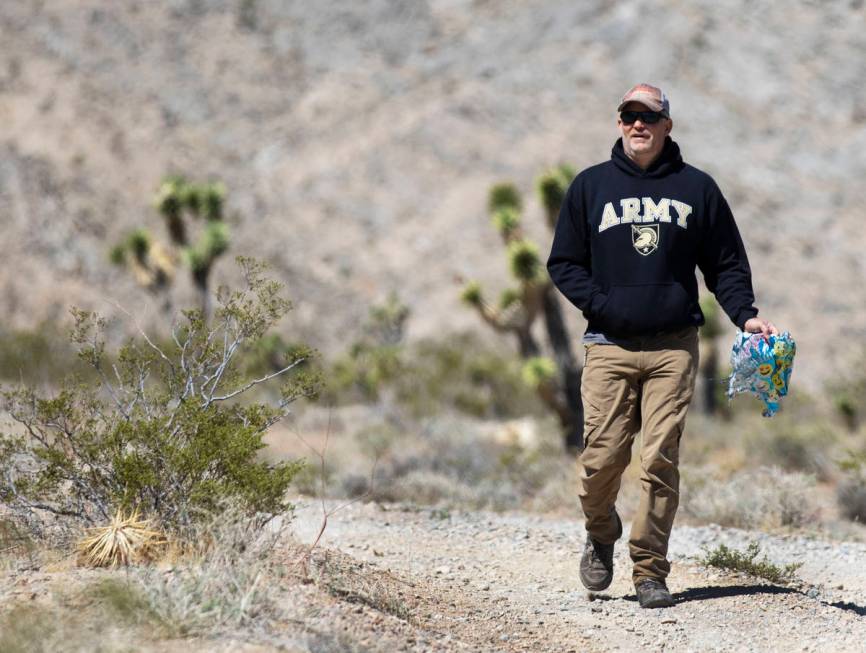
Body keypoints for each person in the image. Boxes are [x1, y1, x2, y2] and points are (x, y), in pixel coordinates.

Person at [547, 83, 777, 609]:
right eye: (629, 115)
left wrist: (746, 316)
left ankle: (649, 570)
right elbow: (563, 263)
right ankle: (601, 531)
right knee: (600, 460)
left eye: (648, 116)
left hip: (674, 346)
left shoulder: (697, 189)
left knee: (659, 461)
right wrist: (600, 303)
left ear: (667, 125)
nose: (637, 125)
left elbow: (725, 265)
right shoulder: (590, 187)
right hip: (608, 343)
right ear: (619, 122)